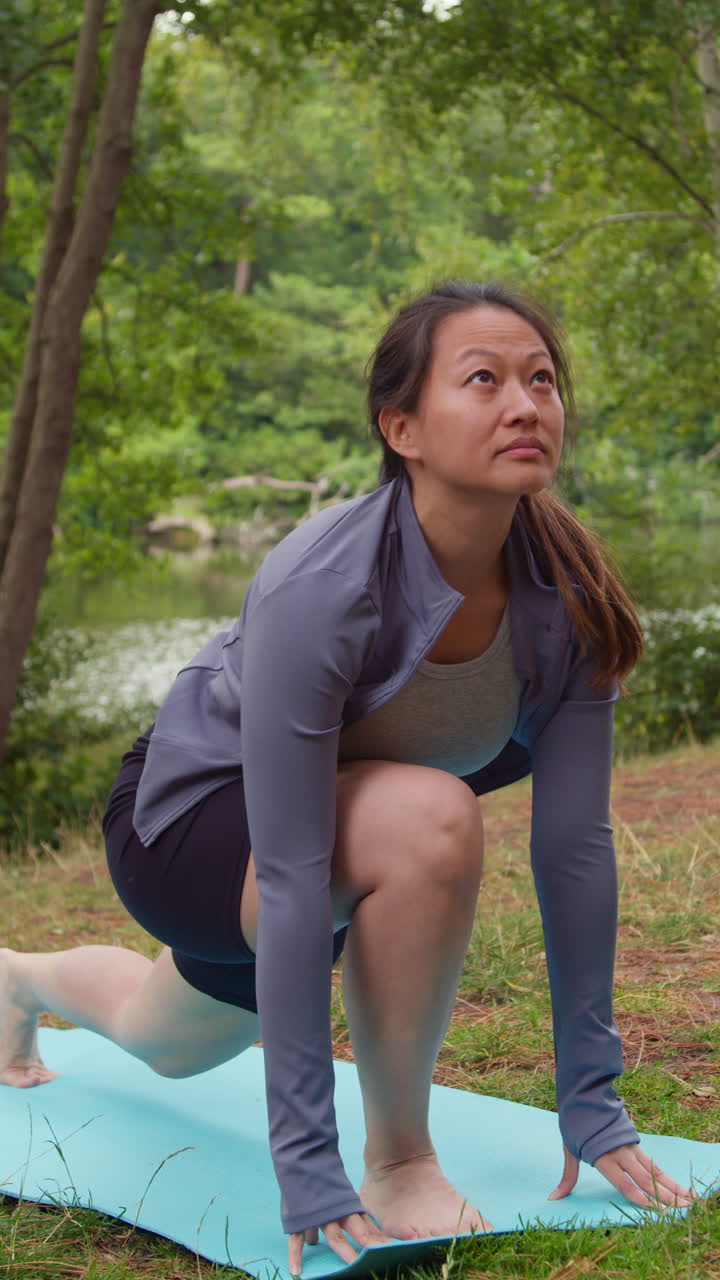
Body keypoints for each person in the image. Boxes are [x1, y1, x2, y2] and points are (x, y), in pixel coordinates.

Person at [1, 281, 692, 1273]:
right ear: (401, 425)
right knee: (432, 814)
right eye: (485, 379)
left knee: (167, 1037)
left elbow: (575, 850)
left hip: (348, 830)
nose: (526, 404)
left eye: (542, 380)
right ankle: (399, 1158)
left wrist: (592, 1100)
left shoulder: (568, 598)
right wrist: (305, 1160)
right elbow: (288, 874)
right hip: (191, 819)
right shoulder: (323, 580)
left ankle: (18, 975)